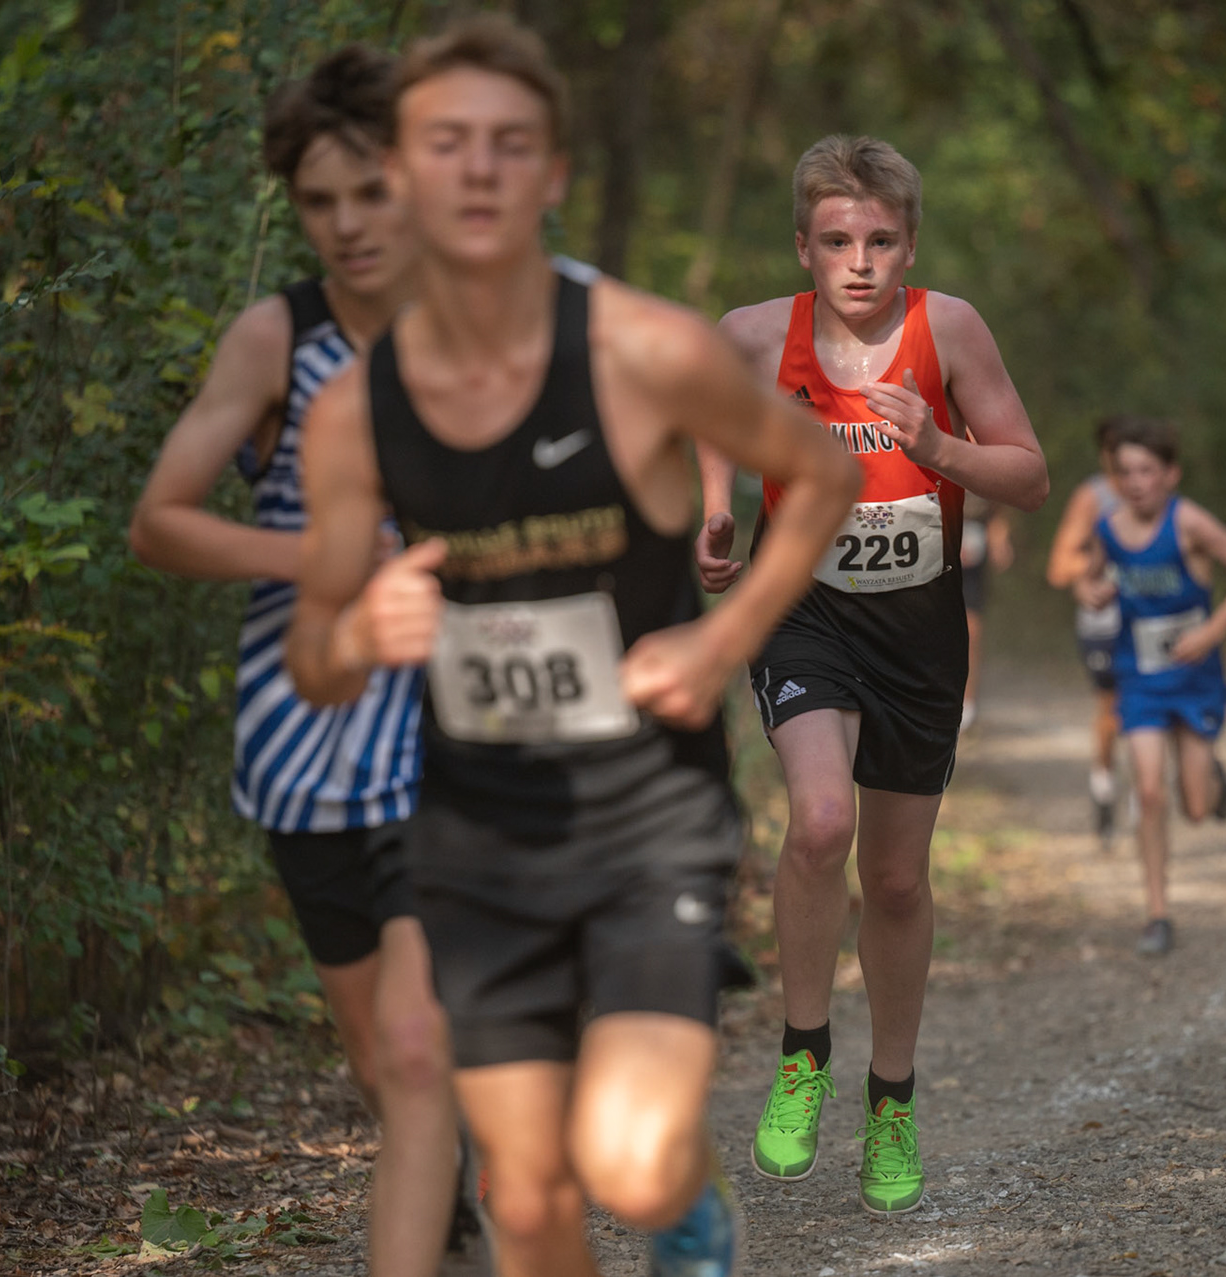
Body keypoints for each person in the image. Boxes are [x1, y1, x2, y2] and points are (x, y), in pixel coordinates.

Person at [282, 16, 860, 1277]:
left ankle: (689, 1204)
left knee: (629, 1159)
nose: (479, 169)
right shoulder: (352, 413)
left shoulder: (640, 349)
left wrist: (720, 639)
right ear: (403, 173)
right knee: (531, 1200)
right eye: (447, 143)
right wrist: (360, 631)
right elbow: (313, 657)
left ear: (550, 174)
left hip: (647, 812)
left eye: (510, 144)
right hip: (477, 836)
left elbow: (821, 474)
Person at [125, 46, 485, 1274]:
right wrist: (318, 555)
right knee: (380, 1055)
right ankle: (450, 1208)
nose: (348, 224)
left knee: (422, 1037)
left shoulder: (485, 319)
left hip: (459, 722)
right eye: (319, 201)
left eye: (370, 192)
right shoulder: (277, 337)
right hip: (307, 730)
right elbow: (159, 521)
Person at [696, 135, 1048, 1216]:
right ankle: (803, 1053)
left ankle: (891, 1097)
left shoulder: (951, 329)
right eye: (838, 240)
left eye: (881, 241)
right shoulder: (753, 335)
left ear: (911, 245)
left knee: (895, 879)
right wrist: (714, 509)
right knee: (818, 821)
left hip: (918, 627)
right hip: (802, 607)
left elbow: (1029, 475)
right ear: (803, 247)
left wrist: (939, 448)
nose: (860, 262)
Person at [1072, 417, 1226, 956]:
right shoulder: (1109, 528)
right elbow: (1089, 576)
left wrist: (1212, 631)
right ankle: (1157, 913)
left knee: (1196, 809)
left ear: (1170, 475)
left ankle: (1212, 779)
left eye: (1147, 471)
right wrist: (1089, 590)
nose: (1136, 482)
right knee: (1148, 791)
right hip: (1138, 676)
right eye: (1126, 472)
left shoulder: (1189, 523)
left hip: (1195, 678)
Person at [1045, 416, 1129, 838]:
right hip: (1105, 622)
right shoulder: (1092, 497)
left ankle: (1155, 790)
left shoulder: (1158, 491)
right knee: (1114, 710)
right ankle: (1104, 785)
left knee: (1157, 704)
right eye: (1113, 450)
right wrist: (1094, 567)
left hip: (1152, 618)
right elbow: (1059, 567)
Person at [957, 490, 1014, 733]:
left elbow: (996, 509)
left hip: (971, 565)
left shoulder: (983, 468)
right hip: (930, 555)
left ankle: (968, 706)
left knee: (971, 632)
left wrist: (999, 540)